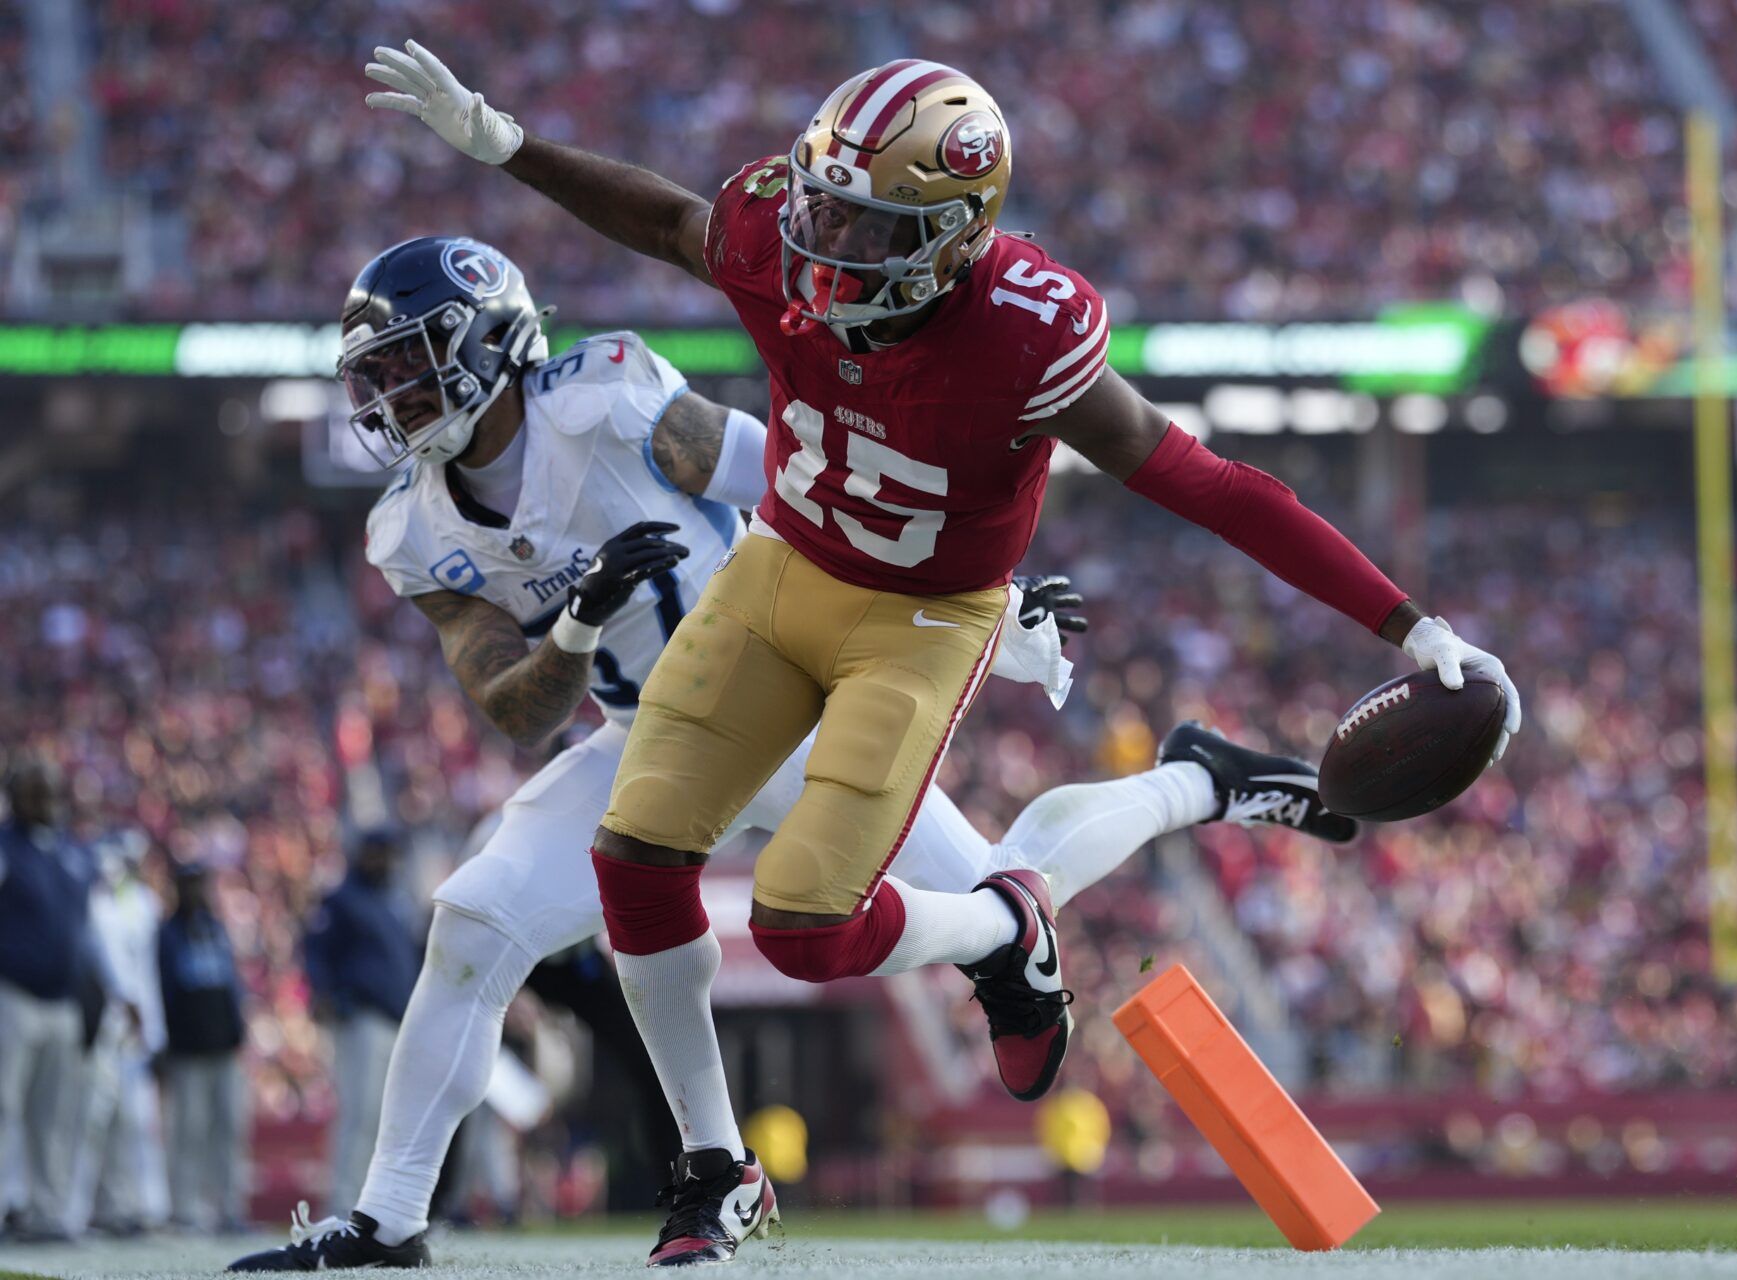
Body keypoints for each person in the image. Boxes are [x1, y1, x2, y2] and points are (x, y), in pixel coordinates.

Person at [363, 45, 1527, 1266]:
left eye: (858, 228)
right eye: (817, 204)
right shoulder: (778, 240)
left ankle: (1042, 899)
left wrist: (1407, 621)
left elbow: (1209, 482)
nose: (815, 245)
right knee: (632, 864)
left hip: (918, 620)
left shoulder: (1028, 334)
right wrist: (506, 145)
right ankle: (716, 1170)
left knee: (814, 928)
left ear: (950, 238)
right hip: (776, 578)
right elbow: (671, 220)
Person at [228, 235, 1352, 1271]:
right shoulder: (411, 527)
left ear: (486, 343)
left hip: (795, 700)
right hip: (648, 736)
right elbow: (516, 708)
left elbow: (808, 477)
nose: (387, 398)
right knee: (474, 919)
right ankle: (395, 1220)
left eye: (410, 367)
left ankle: (1192, 778)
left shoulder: (605, 399)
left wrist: (980, 591)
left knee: (1010, 883)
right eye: (375, 377)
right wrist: (575, 623)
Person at [0, 757, 96, 1243]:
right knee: (2, 1104)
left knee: (55, 1115)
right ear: (12, 795)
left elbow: (83, 931)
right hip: (12, 993)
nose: (44, 802)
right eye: (34, 791)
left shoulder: (71, 851)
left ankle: (47, 1211)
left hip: (63, 1001)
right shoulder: (4, 847)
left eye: (50, 791)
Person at [305, 831, 424, 1216]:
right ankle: (344, 1202)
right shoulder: (342, 899)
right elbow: (316, 952)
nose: (385, 862)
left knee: (388, 1120)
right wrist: (325, 994)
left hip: (396, 1020)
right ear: (363, 854)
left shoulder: (394, 901)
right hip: (362, 1018)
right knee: (360, 1113)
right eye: (378, 854)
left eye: (389, 854)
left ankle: (377, 1203)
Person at [70, 828, 170, 1237]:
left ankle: (134, 1206)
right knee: (91, 1118)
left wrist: (155, 1030)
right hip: (103, 1023)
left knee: (136, 1119)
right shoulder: (93, 902)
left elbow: (148, 976)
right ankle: (73, 1212)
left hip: (135, 1028)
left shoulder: (144, 903)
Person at [157, 862, 249, 1234]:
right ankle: (185, 1209)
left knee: (229, 1130)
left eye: (200, 884)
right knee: (188, 1132)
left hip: (224, 1048)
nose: (195, 892)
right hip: (187, 1050)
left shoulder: (215, 929)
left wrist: (237, 1029)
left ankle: (229, 1209)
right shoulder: (168, 934)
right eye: (188, 885)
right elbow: (163, 989)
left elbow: (231, 986)